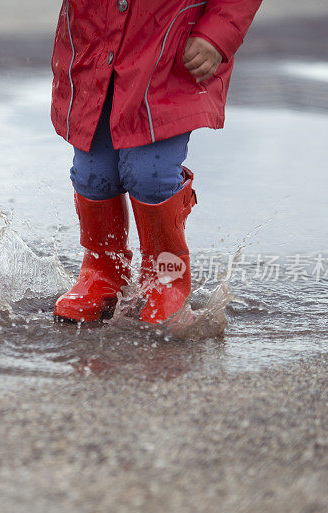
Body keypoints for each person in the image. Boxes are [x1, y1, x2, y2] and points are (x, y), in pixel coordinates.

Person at [51, 0, 262, 323]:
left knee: (150, 173)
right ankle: (103, 270)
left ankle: (167, 278)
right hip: (94, 48)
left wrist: (217, 34)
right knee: (93, 173)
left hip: (167, 54)